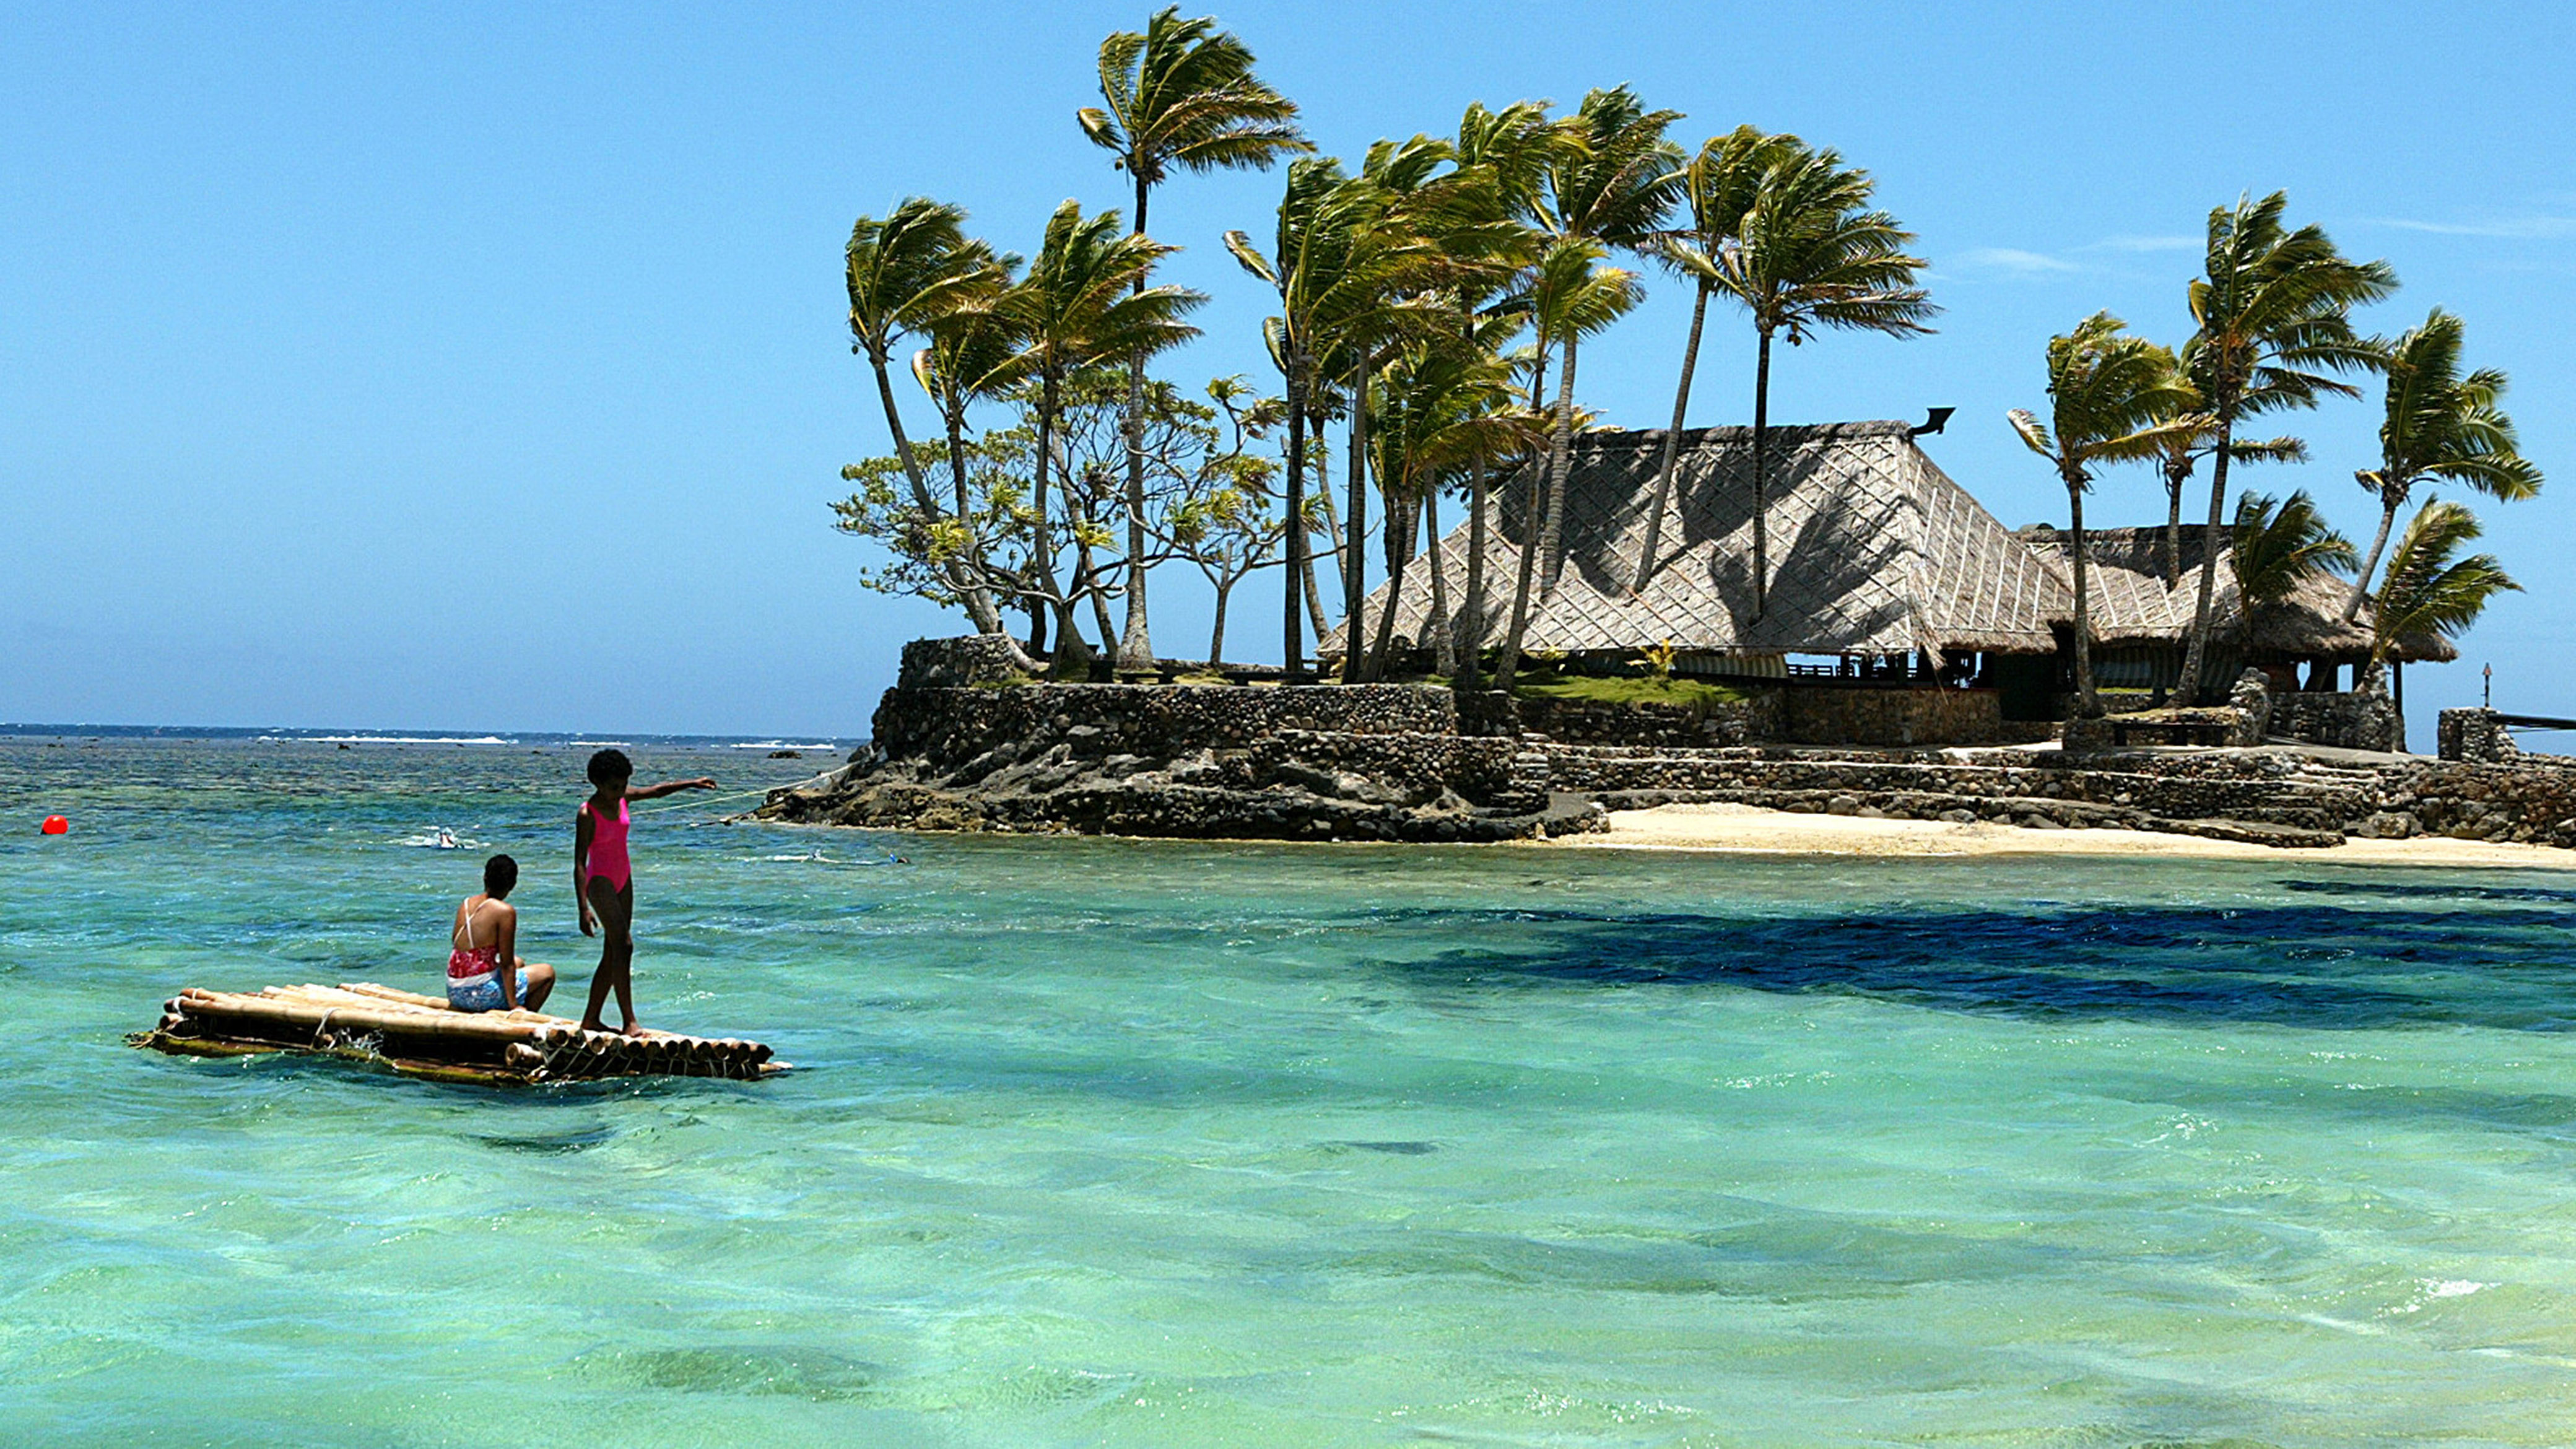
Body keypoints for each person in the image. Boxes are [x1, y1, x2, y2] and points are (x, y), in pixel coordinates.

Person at [573, 748, 715, 1035]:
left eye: (624, 785)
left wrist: (691, 783)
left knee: (613, 950)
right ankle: (630, 1022)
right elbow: (579, 862)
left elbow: (657, 791)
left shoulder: (624, 798)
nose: (620, 791)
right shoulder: (588, 813)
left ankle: (591, 1018)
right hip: (600, 882)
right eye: (614, 787)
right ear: (597, 783)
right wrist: (583, 908)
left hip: (624, 877)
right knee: (624, 946)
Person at [449, 854, 554, 1013]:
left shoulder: (466, 904)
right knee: (547, 972)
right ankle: (522, 1017)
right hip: (478, 995)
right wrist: (514, 1005)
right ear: (512, 884)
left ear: (485, 878)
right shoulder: (505, 912)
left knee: (519, 962)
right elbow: (507, 964)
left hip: (454, 992)